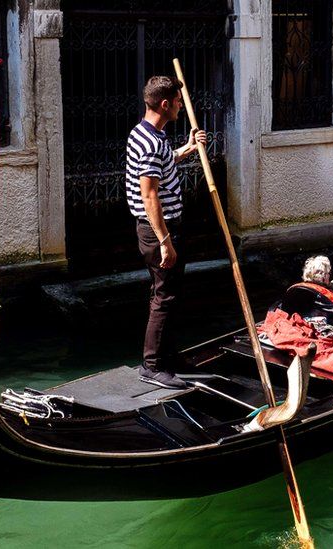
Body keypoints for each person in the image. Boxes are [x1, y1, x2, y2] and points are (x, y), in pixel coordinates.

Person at [127, 75, 207, 390]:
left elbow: (163, 163)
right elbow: (149, 196)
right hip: (158, 230)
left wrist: (187, 149)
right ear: (165, 104)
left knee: (170, 294)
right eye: (176, 102)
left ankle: (169, 355)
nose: (179, 107)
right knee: (163, 295)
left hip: (165, 227)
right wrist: (164, 241)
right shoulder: (149, 141)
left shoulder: (149, 135)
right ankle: (153, 365)